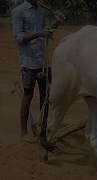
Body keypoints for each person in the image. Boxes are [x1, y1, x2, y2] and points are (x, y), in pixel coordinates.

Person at [12, 0, 52, 142]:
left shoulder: (42, 10)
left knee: (46, 96)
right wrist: (39, 33)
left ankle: (44, 129)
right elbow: (18, 37)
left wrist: (51, 28)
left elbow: (45, 30)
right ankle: (24, 132)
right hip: (28, 62)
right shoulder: (18, 11)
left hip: (44, 61)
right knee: (28, 95)